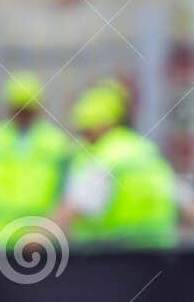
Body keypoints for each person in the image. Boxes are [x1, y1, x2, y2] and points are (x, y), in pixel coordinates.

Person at [57, 84, 178, 246]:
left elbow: (73, 208)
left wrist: (35, 239)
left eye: (85, 131)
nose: (83, 139)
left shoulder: (104, 157)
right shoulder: (146, 151)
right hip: (159, 259)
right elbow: (185, 201)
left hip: (111, 259)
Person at [0, 73, 71, 248]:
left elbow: (66, 193)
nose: (22, 114)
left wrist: (49, 230)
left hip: (37, 239)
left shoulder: (56, 143)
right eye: (18, 108)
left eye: (27, 109)